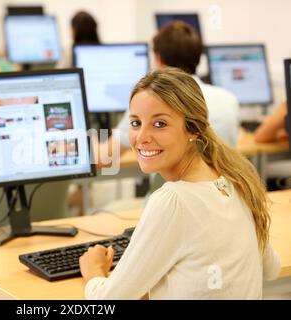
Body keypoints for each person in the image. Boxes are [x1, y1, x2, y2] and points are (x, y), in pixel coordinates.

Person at [79, 67, 280, 299]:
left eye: (159, 124)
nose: (142, 137)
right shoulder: (237, 179)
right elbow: (272, 269)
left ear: (192, 130)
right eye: (135, 123)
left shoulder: (173, 201)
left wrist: (93, 271)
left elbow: (108, 300)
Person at [109, 21, 239, 160]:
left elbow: (106, 156)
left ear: (158, 58)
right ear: (198, 58)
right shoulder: (229, 99)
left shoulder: (152, 99)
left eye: (160, 124)